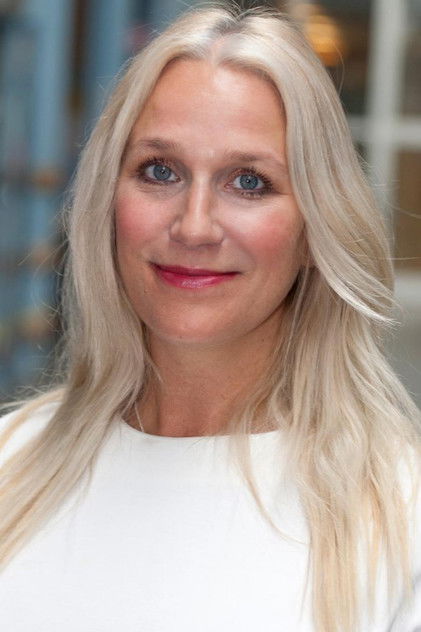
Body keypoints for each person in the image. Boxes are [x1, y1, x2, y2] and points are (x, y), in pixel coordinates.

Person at [0, 4, 420, 631]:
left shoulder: (401, 515)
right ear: (107, 202)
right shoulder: (11, 463)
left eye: (248, 182)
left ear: (315, 228)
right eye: (160, 171)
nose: (194, 226)